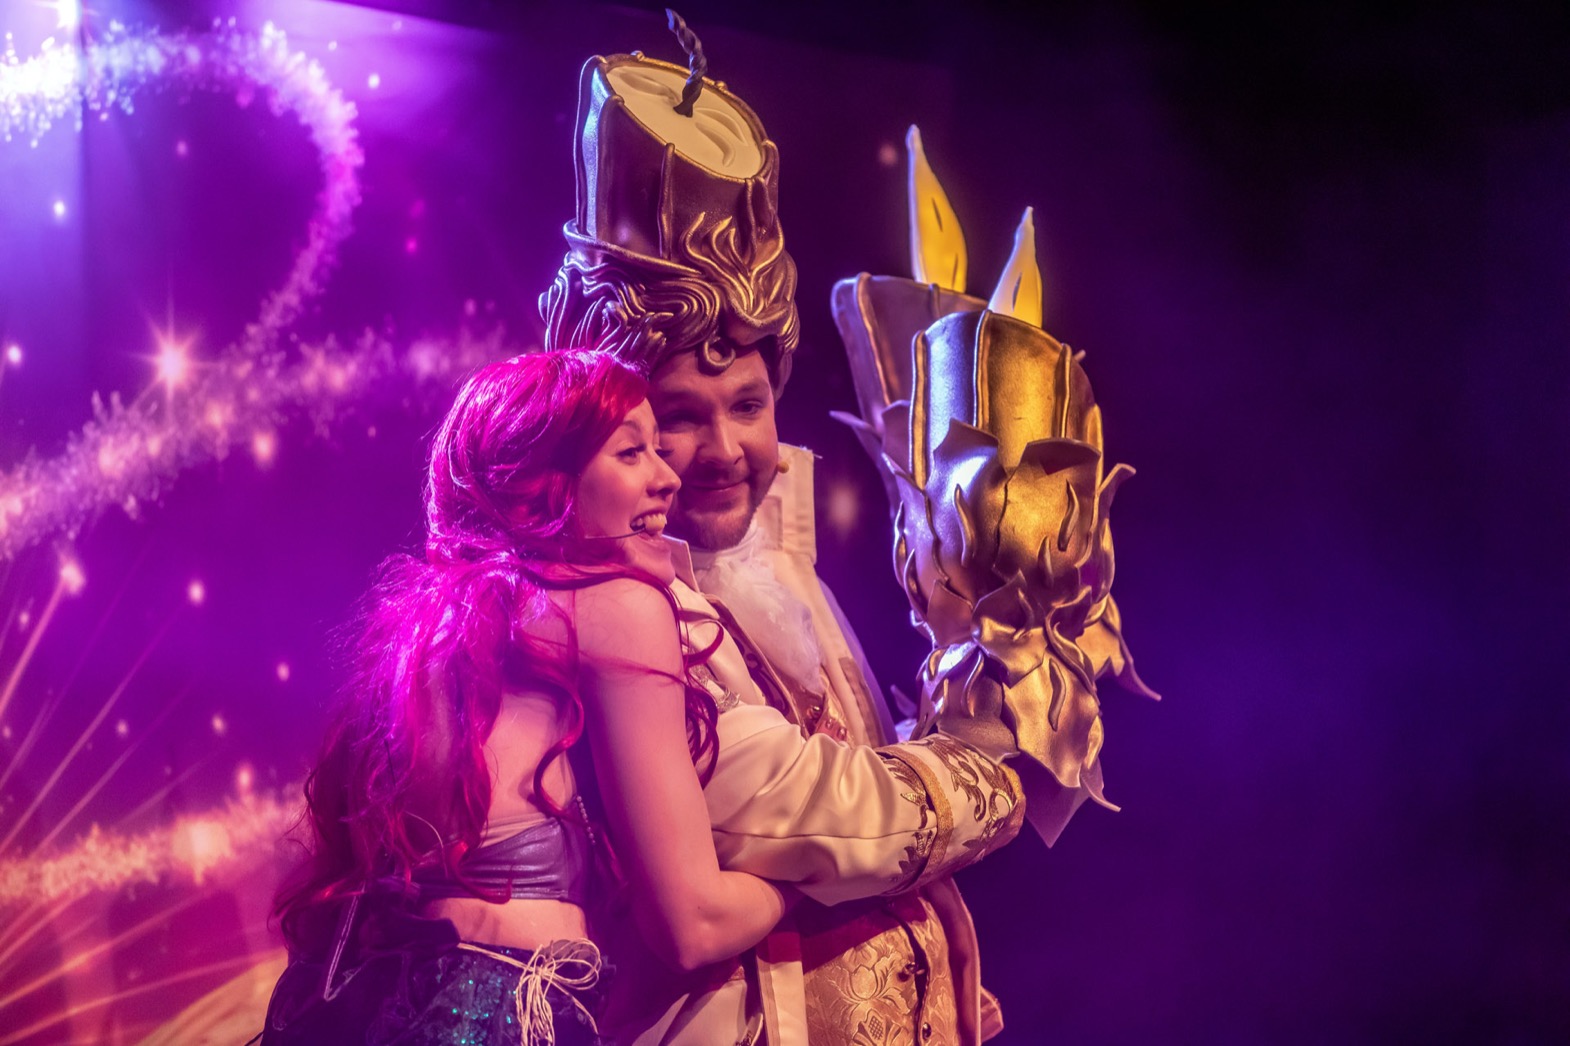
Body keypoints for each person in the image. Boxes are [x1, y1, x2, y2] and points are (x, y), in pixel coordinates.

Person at [542, 46, 1038, 1046]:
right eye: (678, 418)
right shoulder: (615, 604)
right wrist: (992, 770)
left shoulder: (774, 562)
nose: (726, 450)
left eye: (749, 404)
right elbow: (813, 808)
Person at [261, 350, 796, 1045]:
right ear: (548, 483)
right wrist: (808, 886)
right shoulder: (615, 606)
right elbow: (692, 925)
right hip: (501, 1015)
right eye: (631, 453)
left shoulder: (428, 631)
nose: (667, 478)